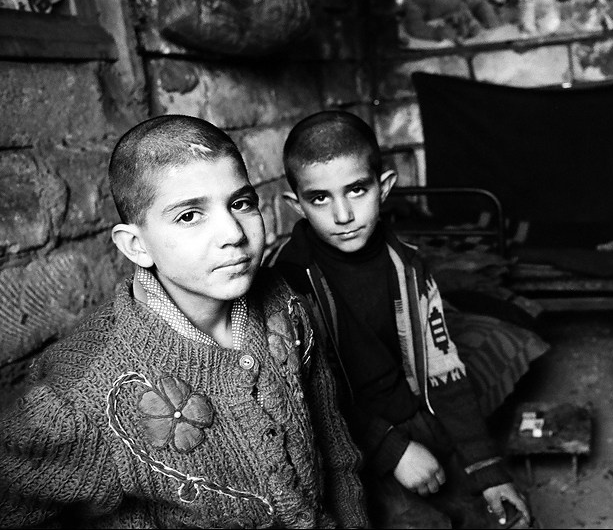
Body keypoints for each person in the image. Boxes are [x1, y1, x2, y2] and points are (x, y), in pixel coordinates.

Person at [0, 114, 367, 529]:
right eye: (190, 216)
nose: (233, 234)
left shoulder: (284, 302)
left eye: (241, 203)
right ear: (136, 245)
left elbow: (335, 449)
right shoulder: (82, 395)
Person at [270, 110, 533, 529]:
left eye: (357, 190)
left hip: (416, 414)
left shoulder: (408, 265)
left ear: (385, 187)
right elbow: (310, 399)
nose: (343, 215)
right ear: (295, 205)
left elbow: (444, 370)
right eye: (320, 198)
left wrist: (487, 470)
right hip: (349, 444)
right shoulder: (287, 285)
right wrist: (392, 450)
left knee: (503, 515)